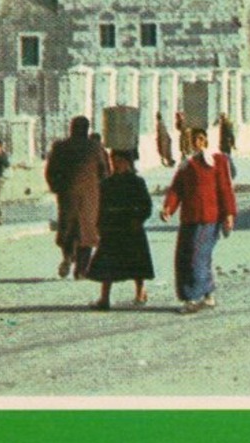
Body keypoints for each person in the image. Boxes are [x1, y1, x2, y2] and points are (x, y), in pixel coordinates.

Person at [159, 126, 236, 314]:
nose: (197, 143)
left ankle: (193, 298)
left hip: (209, 218)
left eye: (200, 138)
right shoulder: (187, 164)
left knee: (197, 257)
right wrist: (168, 207)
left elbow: (225, 188)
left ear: (206, 140)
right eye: (193, 139)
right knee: (186, 257)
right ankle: (207, 294)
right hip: (189, 218)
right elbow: (177, 189)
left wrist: (229, 214)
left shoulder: (216, 161)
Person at [87, 148, 155, 309]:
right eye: (113, 161)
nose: (115, 165)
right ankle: (104, 298)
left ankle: (140, 292)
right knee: (107, 264)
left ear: (127, 163)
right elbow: (100, 207)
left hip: (132, 227)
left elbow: (146, 205)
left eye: (118, 161)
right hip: (113, 228)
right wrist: (99, 226)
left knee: (137, 263)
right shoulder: (107, 183)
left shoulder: (137, 182)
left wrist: (138, 220)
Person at [45, 116, 108, 279]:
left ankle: (67, 256)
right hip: (90, 196)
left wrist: (57, 187)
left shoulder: (60, 147)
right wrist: (100, 189)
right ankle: (81, 269)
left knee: (68, 227)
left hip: (67, 194)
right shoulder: (95, 148)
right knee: (87, 232)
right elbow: (104, 172)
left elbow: (51, 171)